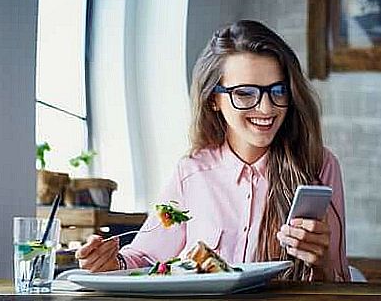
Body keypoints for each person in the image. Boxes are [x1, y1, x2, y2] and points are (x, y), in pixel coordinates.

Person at [75, 20, 350, 282]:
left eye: (278, 91)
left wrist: (322, 262)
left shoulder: (319, 165)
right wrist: (111, 263)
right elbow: (145, 255)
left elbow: (339, 282)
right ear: (213, 100)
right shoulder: (192, 171)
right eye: (244, 93)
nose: (267, 108)